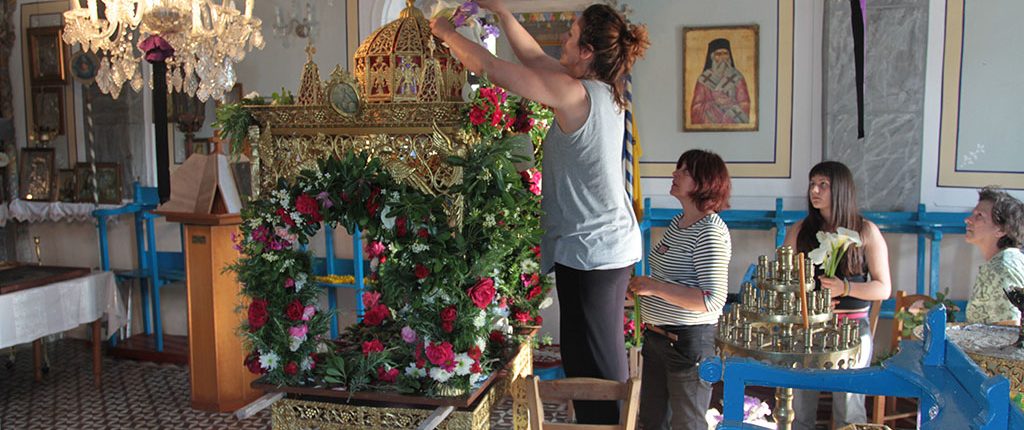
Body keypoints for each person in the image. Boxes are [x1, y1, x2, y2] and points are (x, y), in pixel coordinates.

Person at [431, 1, 649, 424]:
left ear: (587, 51)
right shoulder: (598, 90)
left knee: (596, 362)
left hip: (594, 251)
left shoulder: (575, 92)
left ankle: (606, 425)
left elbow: (494, 70)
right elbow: (531, 57)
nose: (563, 40)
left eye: (571, 33)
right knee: (586, 355)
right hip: (596, 248)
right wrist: (501, 13)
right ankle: (598, 423)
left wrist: (447, 34)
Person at [783, 161, 892, 430]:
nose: (814, 191)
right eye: (812, 184)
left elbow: (883, 288)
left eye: (823, 185)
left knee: (849, 405)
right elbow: (783, 278)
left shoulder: (866, 231)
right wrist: (805, 300)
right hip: (807, 326)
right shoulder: (800, 230)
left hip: (852, 328)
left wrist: (846, 288)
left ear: (841, 189)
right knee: (800, 404)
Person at [628, 149, 732, 430]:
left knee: (687, 423)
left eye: (684, 171)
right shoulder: (678, 222)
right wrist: (641, 290)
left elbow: (712, 300)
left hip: (687, 342)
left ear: (704, 182)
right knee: (652, 421)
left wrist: (655, 287)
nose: (674, 174)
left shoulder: (709, 231)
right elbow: (666, 280)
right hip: (658, 338)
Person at [964, 187, 1024, 325]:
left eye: (979, 215)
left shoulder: (1001, 267)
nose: (967, 219)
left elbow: (1010, 328)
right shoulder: (1008, 260)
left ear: (1002, 229)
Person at [690, 38, 751, 125]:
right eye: (718, 54)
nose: (722, 57)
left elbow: (745, 104)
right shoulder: (703, 79)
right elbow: (696, 109)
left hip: (732, 124)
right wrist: (715, 104)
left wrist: (730, 105)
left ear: (729, 56)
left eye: (725, 53)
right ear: (712, 57)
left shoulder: (737, 77)